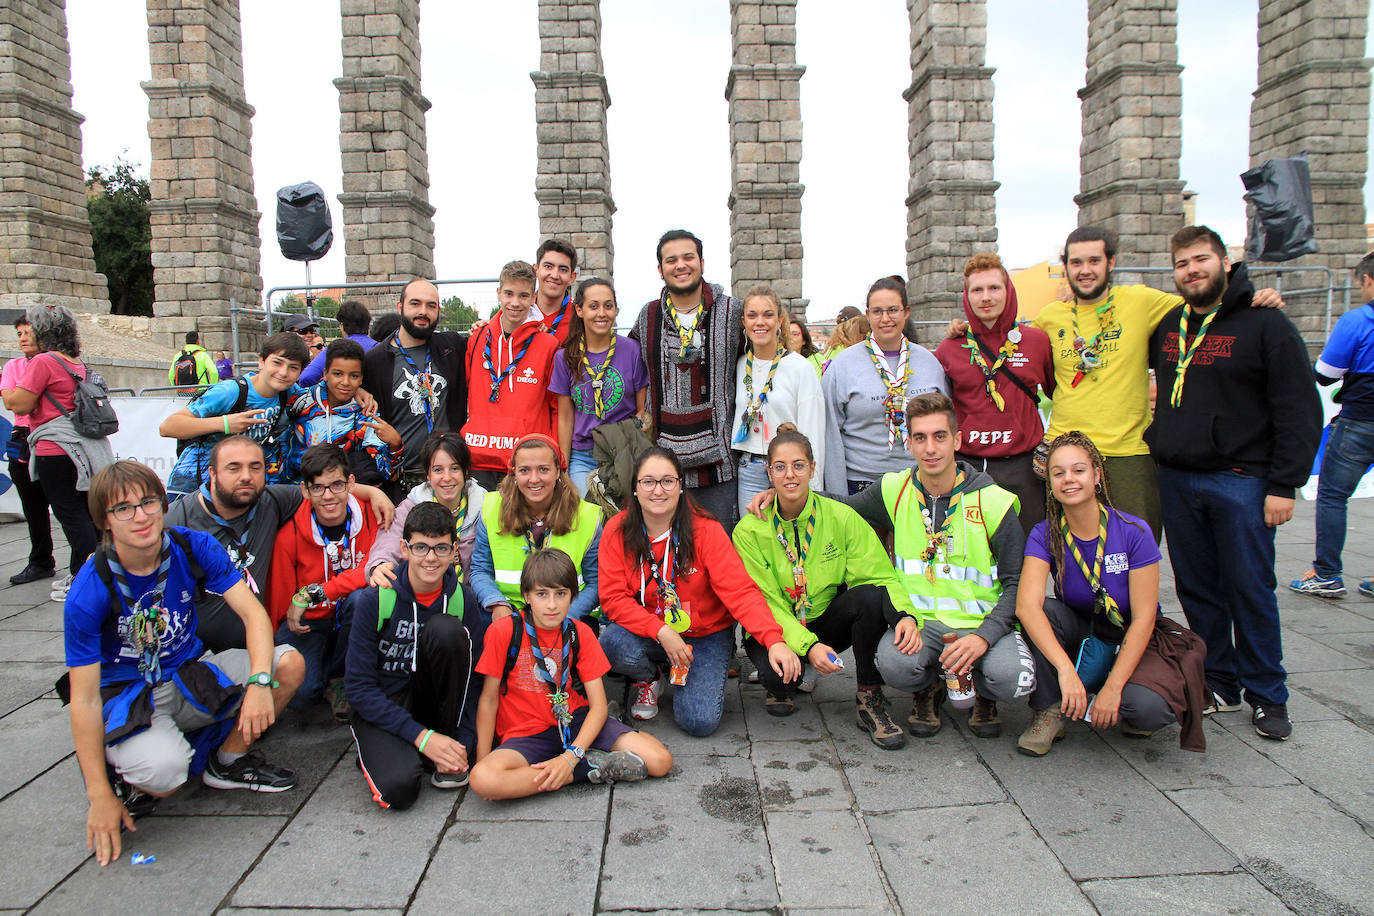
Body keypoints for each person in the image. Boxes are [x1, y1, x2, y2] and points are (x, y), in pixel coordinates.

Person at [66, 461, 303, 866]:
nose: (141, 516)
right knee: (166, 774)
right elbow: (83, 700)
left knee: (288, 665)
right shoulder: (89, 590)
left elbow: (253, 615)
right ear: (104, 522)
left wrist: (261, 682)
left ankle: (227, 761)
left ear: (163, 503)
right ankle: (122, 768)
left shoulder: (191, 546)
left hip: (189, 674)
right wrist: (98, 796)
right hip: (131, 694)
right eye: (124, 509)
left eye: (149, 502)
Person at [1147, 225, 1321, 741]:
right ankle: (1220, 679)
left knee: (1250, 588)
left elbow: (1298, 408)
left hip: (1242, 479)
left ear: (1226, 263)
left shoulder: (1267, 323)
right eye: (1181, 264)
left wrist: (1284, 484)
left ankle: (1269, 693)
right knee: (1197, 589)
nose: (1191, 270)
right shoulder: (1169, 325)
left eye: (1201, 260)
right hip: (1178, 477)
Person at [1029, 227, 1285, 542]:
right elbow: (1013, 348)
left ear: (1111, 262)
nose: (1085, 270)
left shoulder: (1141, 300)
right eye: (1077, 262)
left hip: (1128, 452)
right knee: (1068, 551)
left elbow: (1205, 303)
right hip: (1067, 450)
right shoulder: (1049, 317)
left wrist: (1250, 296)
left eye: (1094, 260)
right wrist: (963, 330)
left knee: (1137, 549)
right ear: (1066, 266)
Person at [1015, 431, 1208, 757]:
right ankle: (1049, 710)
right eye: (1058, 473)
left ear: (1097, 475)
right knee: (1044, 612)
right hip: (1086, 629)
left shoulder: (1133, 531)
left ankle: (1118, 691)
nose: (1068, 480)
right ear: (1049, 481)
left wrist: (1115, 687)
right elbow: (1026, 606)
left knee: (1146, 709)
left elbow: (1145, 617)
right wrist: (1065, 670)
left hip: (1133, 632)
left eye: (1078, 470)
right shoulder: (1045, 532)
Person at [598, 447, 799, 735]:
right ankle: (650, 676)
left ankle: (685, 670)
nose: (658, 490)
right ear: (635, 489)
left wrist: (773, 639)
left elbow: (740, 591)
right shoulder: (617, 530)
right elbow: (613, 599)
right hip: (652, 631)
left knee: (698, 722)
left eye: (668, 481)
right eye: (648, 482)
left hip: (704, 634)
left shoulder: (705, 529)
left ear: (681, 486)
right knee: (613, 644)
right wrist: (662, 632)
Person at [733, 429, 917, 740]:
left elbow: (879, 575)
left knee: (870, 598)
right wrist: (808, 646)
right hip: (774, 630)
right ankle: (787, 681)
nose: (790, 475)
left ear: (813, 468)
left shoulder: (840, 517)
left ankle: (869, 697)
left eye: (799, 465)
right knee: (779, 680)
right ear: (769, 472)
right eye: (780, 466)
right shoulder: (750, 530)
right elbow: (762, 602)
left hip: (825, 619)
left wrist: (904, 615)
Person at [470, 549, 672, 799]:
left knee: (660, 760)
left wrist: (570, 754)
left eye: (561, 594)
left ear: (572, 596)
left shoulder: (579, 633)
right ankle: (586, 769)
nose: (552, 604)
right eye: (542, 594)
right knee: (483, 779)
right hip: (526, 733)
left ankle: (570, 762)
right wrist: (482, 758)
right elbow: (488, 700)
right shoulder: (504, 631)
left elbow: (598, 707)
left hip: (574, 721)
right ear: (527, 596)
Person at [165, 435, 394, 652]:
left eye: (255, 467)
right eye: (234, 467)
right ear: (212, 474)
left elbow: (328, 488)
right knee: (299, 682)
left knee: (362, 601)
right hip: (200, 646)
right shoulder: (178, 519)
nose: (246, 476)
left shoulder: (270, 500)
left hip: (270, 632)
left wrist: (374, 492)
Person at [344, 501, 486, 809]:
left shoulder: (462, 600)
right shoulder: (375, 600)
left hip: (434, 705)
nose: (431, 558)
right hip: (385, 706)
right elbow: (358, 689)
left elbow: (474, 682)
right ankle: (403, 747)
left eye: (441, 548)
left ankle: (439, 745)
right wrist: (422, 738)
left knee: (447, 630)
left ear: (455, 550)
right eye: (420, 547)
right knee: (399, 790)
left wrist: (464, 742)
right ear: (404, 549)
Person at [630, 230, 746, 529]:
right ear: (660, 269)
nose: (680, 265)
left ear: (702, 263)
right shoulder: (648, 316)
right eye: (671, 260)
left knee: (719, 547)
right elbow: (624, 365)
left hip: (719, 466)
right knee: (669, 549)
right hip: (663, 468)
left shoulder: (733, 311)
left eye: (687, 257)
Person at [935, 253, 1056, 532]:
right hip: (969, 468)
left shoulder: (1036, 342)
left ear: (1008, 291)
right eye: (977, 290)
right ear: (967, 296)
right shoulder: (950, 348)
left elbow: (1060, 394)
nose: (986, 297)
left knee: (1027, 555)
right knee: (971, 557)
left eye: (994, 288)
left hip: (1023, 468)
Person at [265, 443, 381, 718]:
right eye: (318, 487)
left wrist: (315, 593)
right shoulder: (289, 534)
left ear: (351, 483)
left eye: (336, 485)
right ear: (305, 490)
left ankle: (340, 677)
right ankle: (324, 672)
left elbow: (372, 568)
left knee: (363, 598)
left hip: (355, 615)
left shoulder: (373, 515)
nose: (328, 496)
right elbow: (280, 601)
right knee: (300, 695)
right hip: (310, 623)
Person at [7, 305, 112, 602]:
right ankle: (99, 572)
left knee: (70, 515)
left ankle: (85, 577)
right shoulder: (74, 361)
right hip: (80, 447)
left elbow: (20, 404)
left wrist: (11, 393)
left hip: (55, 448)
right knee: (86, 513)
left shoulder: (43, 362)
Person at [1290, 251, 1374, 599]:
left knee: (1333, 496)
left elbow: (1325, 375)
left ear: (1367, 281)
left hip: (1361, 420)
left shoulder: (1357, 321)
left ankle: (1327, 573)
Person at [823, 276, 947, 495]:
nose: (885, 318)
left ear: (906, 312)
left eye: (893, 310)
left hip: (919, 481)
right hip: (862, 483)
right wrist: (837, 497)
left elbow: (946, 424)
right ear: (868, 314)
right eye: (877, 311)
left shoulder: (929, 363)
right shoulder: (843, 366)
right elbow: (830, 432)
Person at [160, 331, 311, 498]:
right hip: (193, 482)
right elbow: (168, 426)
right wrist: (224, 423)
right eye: (277, 362)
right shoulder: (230, 391)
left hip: (236, 485)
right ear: (261, 361)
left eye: (293, 367)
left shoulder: (289, 393)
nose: (283, 372)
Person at [469, 434, 601, 622]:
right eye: (524, 470)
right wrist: (497, 603)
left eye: (543, 469)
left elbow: (596, 582)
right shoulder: (491, 509)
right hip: (510, 610)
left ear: (558, 472)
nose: (534, 479)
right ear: (514, 473)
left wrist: (567, 614)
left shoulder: (587, 516)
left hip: (566, 615)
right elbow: (480, 570)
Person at [361, 279, 470, 491]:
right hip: (404, 477)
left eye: (431, 306)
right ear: (400, 307)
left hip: (450, 475)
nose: (423, 311)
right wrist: (357, 389)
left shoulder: (452, 347)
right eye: (415, 303)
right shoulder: (375, 361)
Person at [462, 261, 560, 489]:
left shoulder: (549, 345)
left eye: (523, 296)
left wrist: (556, 458)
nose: (515, 303)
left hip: (527, 463)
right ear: (498, 293)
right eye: (508, 293)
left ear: (534, 297)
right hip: (479, 457)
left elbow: (556, 407)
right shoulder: (477, 338)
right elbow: (466, 388)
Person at [550, 277, 649, 496]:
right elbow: (566, 417)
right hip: (583, 454)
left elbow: (641, 411)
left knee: (622, 520)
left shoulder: (632, 351)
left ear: (616, 310)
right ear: (579, 310)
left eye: (608, 306)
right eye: (593, 306)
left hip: (623, 452)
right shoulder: (565, 357)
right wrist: (563, 468)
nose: (601, 313)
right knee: (587, 515)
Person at [731, 286, 825, 516]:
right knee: (755, 540)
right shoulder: (740, 365)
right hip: (750, 468)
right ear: (744, 321)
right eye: (752, 315)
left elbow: (813, 429)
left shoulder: (800, 367)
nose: (760, 322)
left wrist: (813, 487)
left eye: (768, 314)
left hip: (790, 469)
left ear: (780, 320)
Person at [368, 432, 489, 587]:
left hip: (473, 597)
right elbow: (388, 542)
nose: (447, 477)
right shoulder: (412, 506)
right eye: (438, 470)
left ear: (466, 472)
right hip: (420, 594)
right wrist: (380, 565)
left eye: (454, 468)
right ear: (428, 475)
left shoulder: (485, 507)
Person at [287, 338, 402, 486]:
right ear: (325, 373)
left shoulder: (365, 416)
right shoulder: (300, 402)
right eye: (338, 374)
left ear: (361, 379)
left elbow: (388, 475)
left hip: (341, 497)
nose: (346, 382)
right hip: (295, 494)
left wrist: (395, 445)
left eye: (354, 376)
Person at [1, 316, 55, 585]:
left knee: (65, 503)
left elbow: (24, 399)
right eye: (19, 333)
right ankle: (41, 561)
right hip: (22, 439)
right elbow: (13, 402)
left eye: (27, 332)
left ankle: (86, 560)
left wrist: (24, 397)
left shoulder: (53, 362)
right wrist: (28, 397)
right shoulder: (13, 365)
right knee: (33, 506)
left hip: (49, 437)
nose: (22, 338)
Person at [298, 300, 375, 387]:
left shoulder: (336, 350)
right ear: (368, 324)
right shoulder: (380, 348)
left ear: (341, 325)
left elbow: (306, 378)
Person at [526, 239, 579, 346]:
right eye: (548, 266)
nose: (554, 275)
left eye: (563, 269)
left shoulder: (580, 317)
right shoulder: (520, 311)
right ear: (536, 270)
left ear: (572, 277)